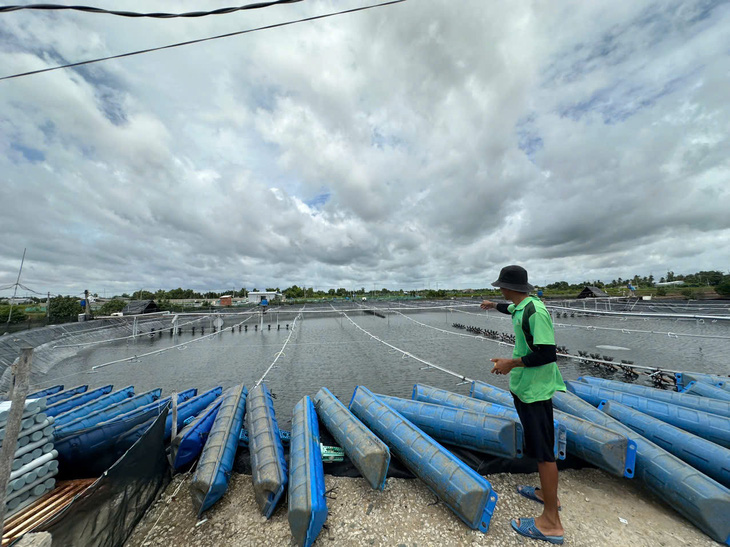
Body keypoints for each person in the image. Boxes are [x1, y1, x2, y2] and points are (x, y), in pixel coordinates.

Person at [481, 265, 566, 545]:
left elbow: (548, 354)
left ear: (507, 287)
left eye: (499, 289)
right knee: (541, 445)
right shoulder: (521, 305)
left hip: (536, 390)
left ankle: (551, 523)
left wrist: (510, 363)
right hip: (527, 387)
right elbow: (510, 309)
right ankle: (545, 492)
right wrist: (493, 305)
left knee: (543, 452)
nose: (499, 292)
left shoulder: (535, 312)